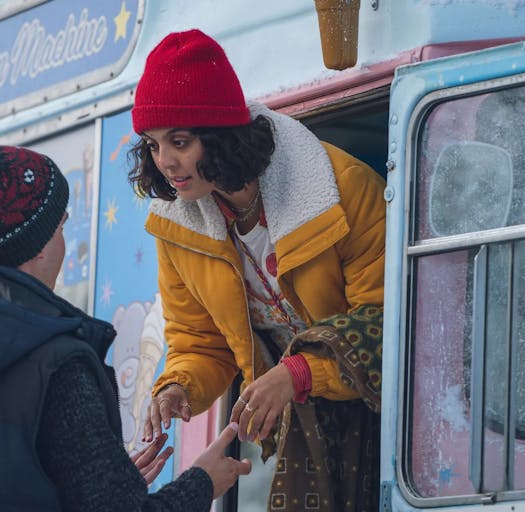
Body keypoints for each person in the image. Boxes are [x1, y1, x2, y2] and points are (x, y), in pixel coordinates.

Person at [0, 130, 251, 511]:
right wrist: (202, 482)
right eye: (62, 227)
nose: (65, 245)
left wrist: (98, 487)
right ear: (33, 246)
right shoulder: (55, 365)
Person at [128, 29, 385, 512]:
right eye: (153, 144)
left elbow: (392, 323)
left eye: (179, 141)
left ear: (221, 136)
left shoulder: (345, 189)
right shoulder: (174, 226)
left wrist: (298, 372)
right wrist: (178, 386)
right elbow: (199, 343)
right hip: (299, 436)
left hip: (384, 425)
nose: (164, 162)